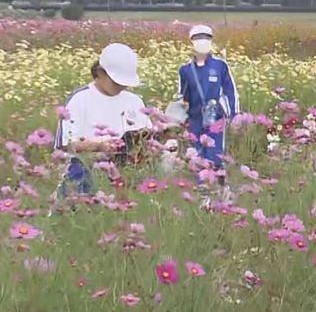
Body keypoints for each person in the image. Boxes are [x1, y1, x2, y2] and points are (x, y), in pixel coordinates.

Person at [55, 43, 153, 196]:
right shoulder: (80, 99)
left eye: (124, 83)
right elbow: (67, 145)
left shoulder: (135, 101)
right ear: (100, 73)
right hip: (85, 171)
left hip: (127, 171)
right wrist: (99, 146)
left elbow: (147, 137)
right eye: (116, 82)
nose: (121, 86)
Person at [176, 25, 238, 176]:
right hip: (195, 119)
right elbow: (183, 95)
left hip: (216, 120)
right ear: (192, 43)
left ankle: (218, 189)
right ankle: (201, 191)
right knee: (197, 157)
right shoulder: (185, 70)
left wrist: (233, 116)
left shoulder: (220, 66)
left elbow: (230, 91)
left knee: (215, 156)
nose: (202, 42)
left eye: (206, 39)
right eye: (198, 39)